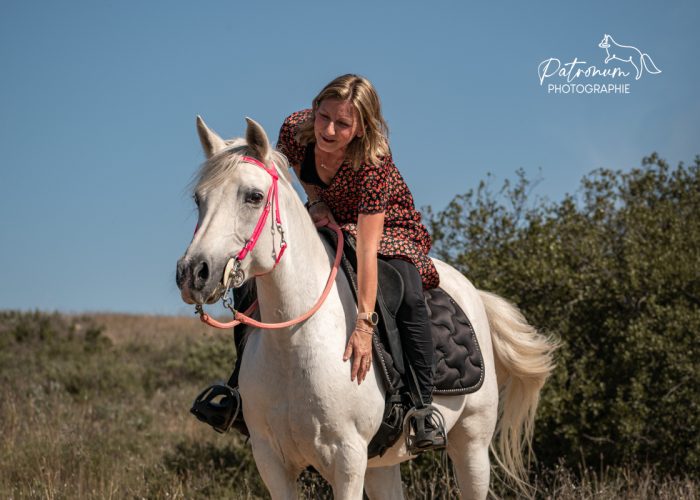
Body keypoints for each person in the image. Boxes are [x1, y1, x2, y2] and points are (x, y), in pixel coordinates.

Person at [276, 74, 444, 450]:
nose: (329, 130)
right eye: (323, 117)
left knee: (409, 292)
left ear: (362, 127)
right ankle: (238, 386)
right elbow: (299, 174)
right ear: (315, 108)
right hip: (330, 214)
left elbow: (367, 249)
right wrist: (317, 201)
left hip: (386, 227)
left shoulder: (374, 160)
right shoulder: (293, 130)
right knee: (266, 264)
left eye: (343, 123)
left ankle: (423, 408)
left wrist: (364, 326)